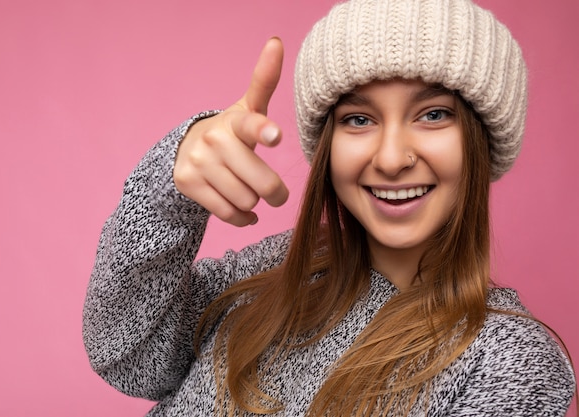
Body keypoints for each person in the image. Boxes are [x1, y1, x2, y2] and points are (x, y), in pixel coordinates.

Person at [83, 0, 576, 415]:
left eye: (434, 114)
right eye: (359, 119)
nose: (390, 158)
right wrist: (168, 196)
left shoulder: (509, 361)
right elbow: (129, 355)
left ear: (482, 139)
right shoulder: (277, 270)